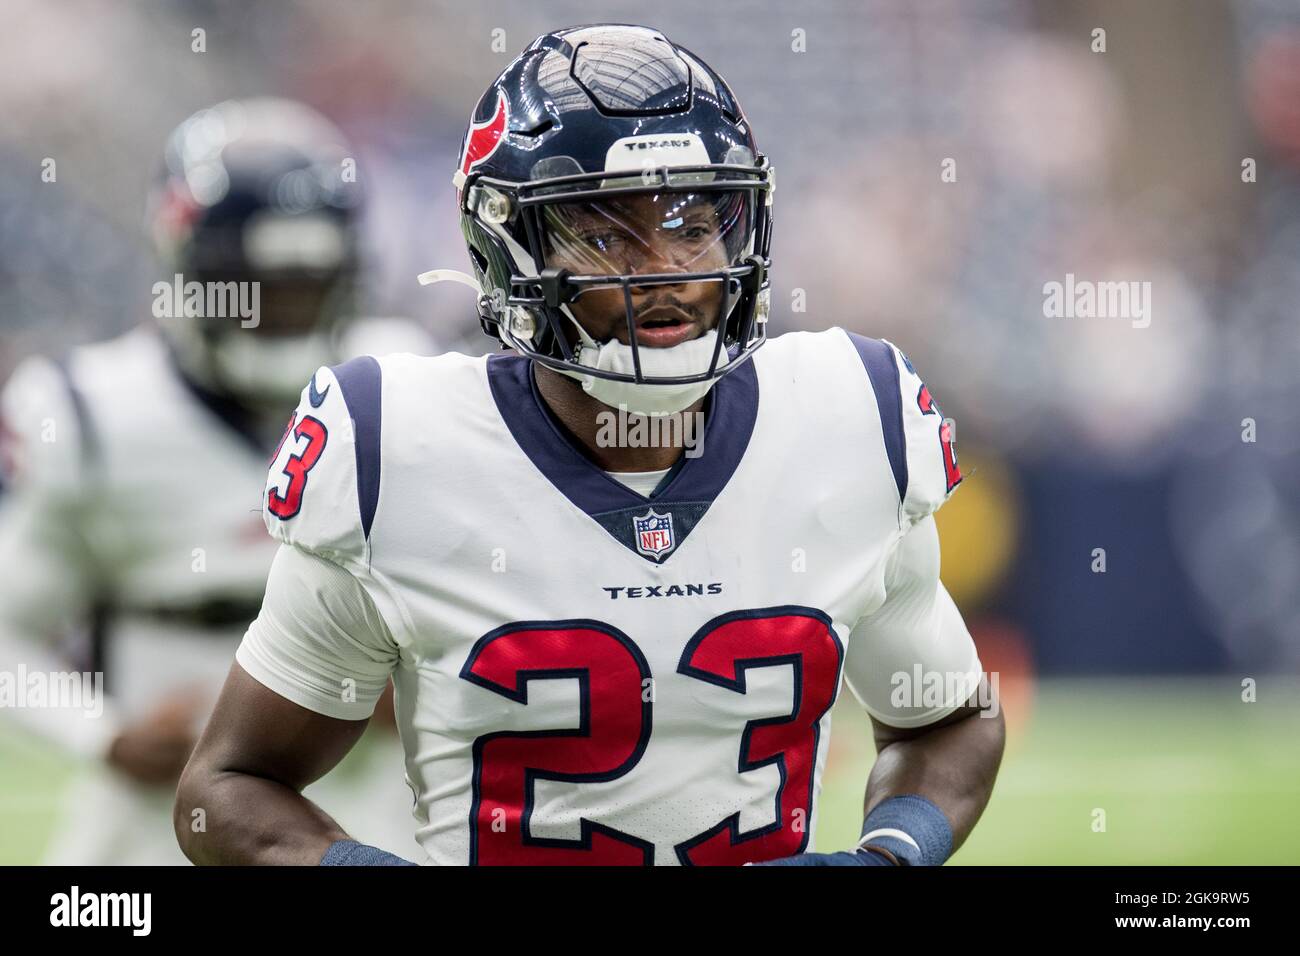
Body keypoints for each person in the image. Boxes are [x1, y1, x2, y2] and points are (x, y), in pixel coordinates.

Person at [176, 26, 1003, 867]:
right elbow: (230, 787)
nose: (668, 270)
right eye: (607, 236)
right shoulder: (401, 448)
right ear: (508, 249)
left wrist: (887, 859)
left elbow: (950, 719)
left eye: (693, 222)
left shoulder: (845, 414)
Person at [0, 97, 425, 864]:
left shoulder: (403, 383)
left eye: (304, 286)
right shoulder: (89, 414)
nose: (282, 311)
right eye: (254, 289)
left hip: (372, 816)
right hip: (155, 829)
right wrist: (103, 736)